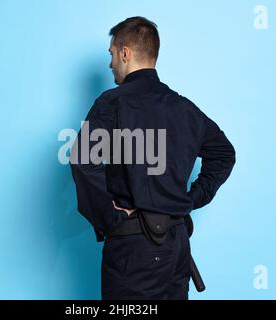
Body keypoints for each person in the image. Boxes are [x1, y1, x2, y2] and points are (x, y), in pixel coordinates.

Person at [70, 16, 236, 300]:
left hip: (133, 250)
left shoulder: (112, 103)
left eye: (111, 54)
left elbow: (82, 162)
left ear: (125, 53)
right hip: (177, 247)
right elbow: (224, 154)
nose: (111, 64)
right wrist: (189, 201)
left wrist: (111, 219)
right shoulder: (185, 108)